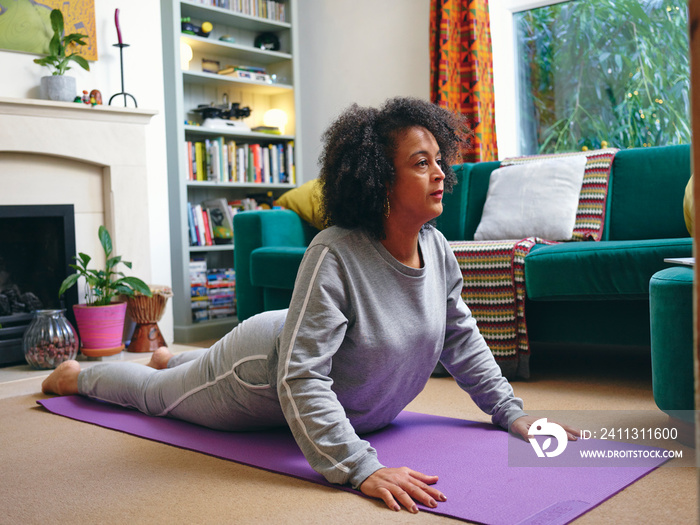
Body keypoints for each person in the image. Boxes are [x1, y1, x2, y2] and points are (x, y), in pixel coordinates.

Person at [43, 96, 579, 514]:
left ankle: (174, 357)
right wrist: (359, 467)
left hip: (304, 336)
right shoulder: (335, 253)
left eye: (440, 160)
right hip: (258, 370)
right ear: (381, 180)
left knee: (180, 371)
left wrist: (513, 414)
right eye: (421, 163)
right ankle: (79, 375)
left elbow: (460, 338)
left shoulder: (437, 249)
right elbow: (300, 377)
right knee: (157, 397)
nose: (442, 173)